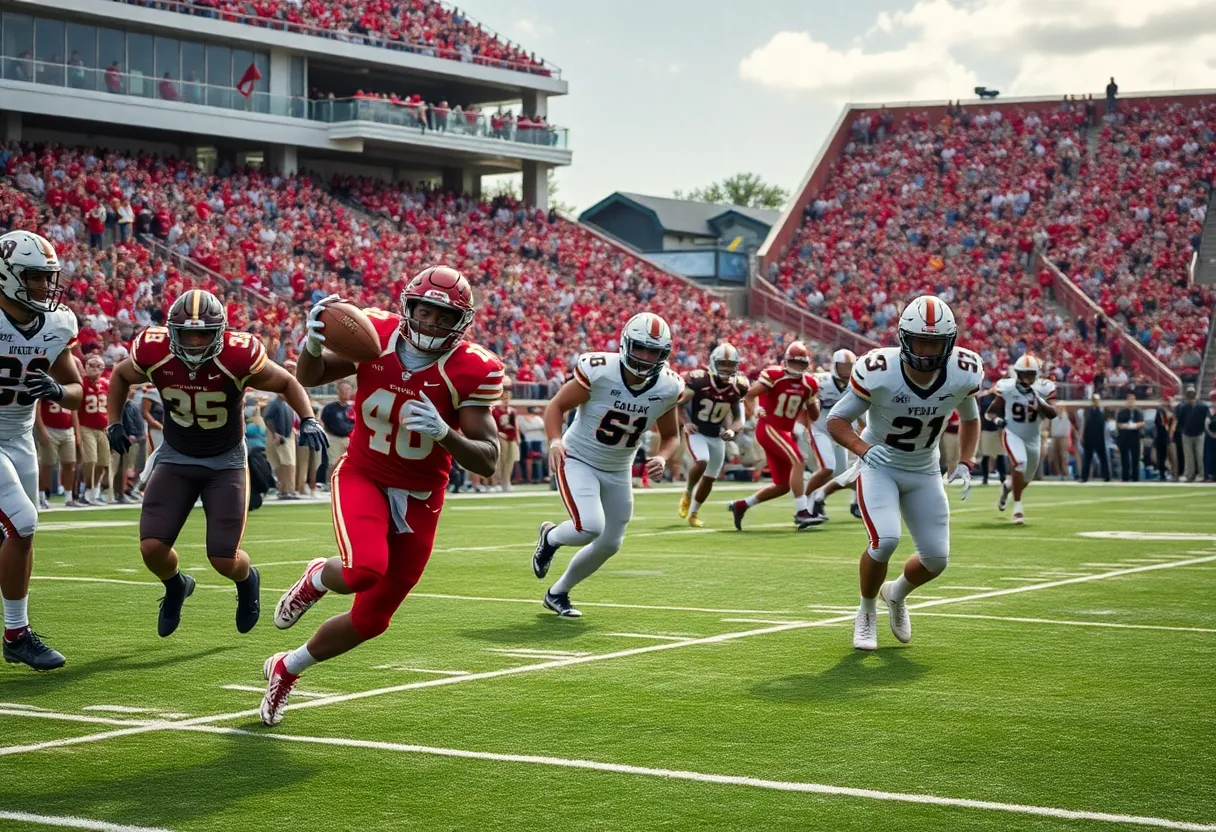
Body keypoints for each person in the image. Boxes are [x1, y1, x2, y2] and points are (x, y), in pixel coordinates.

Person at [265, 267, 502, 726]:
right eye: (424, 311)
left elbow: (488, 458)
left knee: (372, 621)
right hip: (364, 474)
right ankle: (317, 576)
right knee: (363, 570)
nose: (431, 323)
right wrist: (312, 345)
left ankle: (286, 668)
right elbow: (310, 376)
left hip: (421, 496)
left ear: (461, 321)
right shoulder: (374, 333)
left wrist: (444, 433)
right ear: (407, 306)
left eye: (443, 316)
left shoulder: (474, 368)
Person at [106, 289, 327, 639]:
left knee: (224, 558)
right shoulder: (154, 349)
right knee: (152, 548)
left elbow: (286, 381)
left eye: (203, 334)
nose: (193, 343)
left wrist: (309, 417)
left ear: (220, 332)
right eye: (186, 333)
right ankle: (177, 585)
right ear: (172, 331)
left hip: (225, 460)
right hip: (176, 454)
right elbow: (120, 375)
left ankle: (247, 579)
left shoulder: (238, 355)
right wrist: (114, 421)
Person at [826, 295, 982, 651]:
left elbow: (971, 418)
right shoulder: (879, 368)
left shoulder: (963, 370)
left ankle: (895, 594)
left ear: (950, 342)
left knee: (936, 560)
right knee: (886, 541)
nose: (927, 352)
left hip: (925, 469)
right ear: (903, 338)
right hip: (880, 465)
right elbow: (836, 419)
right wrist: (864, 450)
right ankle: (866, 611)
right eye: (920, 341)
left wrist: (966, 460)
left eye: (935, 343)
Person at [532, 313, 683, 617]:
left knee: (610, 543)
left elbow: (671, 436)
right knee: (589, 527)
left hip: (619, 467)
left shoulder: (668, 386)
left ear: (663, 354)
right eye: (640, 348)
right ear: (626, 344)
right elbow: (557, 406)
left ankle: (558, 593)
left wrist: (662, 457)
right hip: (578, 458)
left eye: (653, 352)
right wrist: (555, 441)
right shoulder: (600, 371)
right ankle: (549, 537)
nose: (645, 357)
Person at [0, 230, 83, 670]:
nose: (43, 287)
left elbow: (75, 390)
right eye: (34, 278)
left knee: (22, 533)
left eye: (47, 277)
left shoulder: (57, 323)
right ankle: (17, 634)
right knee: (23, 521)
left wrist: (56, 388)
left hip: (19, 437)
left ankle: (16, 633)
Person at [727, 341, 823, 530]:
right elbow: (748, 395)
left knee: (782, 486)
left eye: (800, 363)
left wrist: (813, 402)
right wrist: (755, 410)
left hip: (783, 431)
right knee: (798, 461)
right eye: (793, 362)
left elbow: (814, 416)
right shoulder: (774, 375)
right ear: (786, 362)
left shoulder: (809, 383)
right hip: (769, 427)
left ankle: (742, 505)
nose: (797, 367)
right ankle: (802, 512)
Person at [678, 343, 748, 528]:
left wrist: (732, 430)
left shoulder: (738, 386)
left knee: (710, 477)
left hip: (717, 435)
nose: (726, 368)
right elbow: (677, 403)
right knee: (702, 460)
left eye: (730, 364)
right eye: (722, 364)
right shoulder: (699, 380)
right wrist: (685, 422)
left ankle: (694, 513)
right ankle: (688, 491)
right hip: (697, 431)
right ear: (712, 363)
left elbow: (739, 418)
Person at [986, 355, 1057, 524]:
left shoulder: (1043, 388)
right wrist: (998, 421)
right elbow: (990, 412)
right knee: (1020, 463)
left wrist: (1039, 403)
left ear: (1037, 374)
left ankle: (1007, 487)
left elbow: (1053, 414)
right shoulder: (1008, 388)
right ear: (1017, 373)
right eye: (1024, 374)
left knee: (1025, 478)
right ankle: (1018, 509)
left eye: (1031, 374)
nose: (1027, 378)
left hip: (1033, 438)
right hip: (1013, 433)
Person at [806, 349, 862, 521]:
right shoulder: (822, 382)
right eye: (842, 366)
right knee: (827, 467)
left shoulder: (857, 385)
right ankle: (805, 506)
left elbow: (861, 412)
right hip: (820, 430)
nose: (846, 370)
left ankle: (821, 500)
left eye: (849, 366)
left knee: (844, 475)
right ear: (834, 366)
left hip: (842, 435)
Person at [78, 355, 111, 504]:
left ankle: (94, 492)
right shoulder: (81, 384)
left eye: (99, 366)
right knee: (90, 460)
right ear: (86, 367)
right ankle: (86, 491)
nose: (95, 369)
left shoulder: (106, 384)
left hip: (103, 428)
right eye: (92, 366)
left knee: (103, 463)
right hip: (86, 426)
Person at [36, 398, 76, 509]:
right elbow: (37, 406)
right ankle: (41, 497)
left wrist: (76, 431)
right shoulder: (45, 383)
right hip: (50, 428)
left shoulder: (68, 383)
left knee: (70, 463)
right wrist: (41, 430)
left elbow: (74, 408)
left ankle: (69, 497)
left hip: (68, 429)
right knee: (47, 464)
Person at [111, 386, 145, 504]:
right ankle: (116, 493)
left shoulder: (133, 405)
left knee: (125, 468)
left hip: (132, 439)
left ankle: (121, 493)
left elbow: (137, 422)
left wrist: (139, 435)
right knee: (118, 468)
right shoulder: (119, 405)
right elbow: (121, 422)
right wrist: (128, 435)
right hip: (122, 439)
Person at [264, 384, 298, 498]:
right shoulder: (275, 404)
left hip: (288, 436)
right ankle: (287, 490)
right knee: (287, 464)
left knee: (287, 464)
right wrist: (275, 433)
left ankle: (286, 489)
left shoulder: (285, 405)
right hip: (281, 437)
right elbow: (268, 419)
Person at [977, 384, 1007, 486]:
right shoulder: (986, 398)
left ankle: (1002, 477)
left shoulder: (1002, 398)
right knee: (986, 455)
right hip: (987, 429)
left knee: (999, 455)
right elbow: (986, 412)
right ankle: (985, 478)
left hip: (998, 429)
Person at [491, 382, 519, 490]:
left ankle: (506, 481)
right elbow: (493, 425)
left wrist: (517, 438)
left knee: (510, 459)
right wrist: (498, 434)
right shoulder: (495, 410)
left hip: (510, 436)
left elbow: (514, 426)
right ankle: (497, 482)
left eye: (507, 398)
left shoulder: (512, 411)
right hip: (500, 436)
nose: (506, 400)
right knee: (500, 460)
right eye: (504, 398)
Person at [319, 380, 356, 463]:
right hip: (334, 439)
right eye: (345, 389)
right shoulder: (330, 407)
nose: (347, 392)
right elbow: (322, 421)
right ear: (339, 391)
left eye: (349, 389)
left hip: (349, 440)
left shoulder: (352, 408)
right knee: (334, 464)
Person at [1176, 387, 1206, 482]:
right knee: (1188, 456)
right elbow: (1179, 419)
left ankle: (1201, 474)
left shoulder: (1202, 407)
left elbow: (1205, 419)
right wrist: (1183, 429)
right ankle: (1189, 474)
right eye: (1189, 396)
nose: (1190, 398)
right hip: (1187, 434)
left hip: (1199, 434)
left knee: (1200, 455)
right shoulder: (1183, 407)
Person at [1079, 394, 1111, 482]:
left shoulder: (1102, 411)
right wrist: (1081, 435)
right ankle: (1084, 477)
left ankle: (1106, 477)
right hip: (1089, 437)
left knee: (1103, 458)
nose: (1096, 402)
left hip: (1100, 437)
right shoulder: (1087, 411)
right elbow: (1084, 423)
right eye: (1094, 400)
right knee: (1087, 458)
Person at [1115, 393, 1144, 482]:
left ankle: (1135, 477)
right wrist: (1127, 426)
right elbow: (1119, 424)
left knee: (1135, 458)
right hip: (1124, 437)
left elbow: (1141, 423)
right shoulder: (1122, 412)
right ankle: (1125, 477)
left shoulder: (1138, 412)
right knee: (1124, 458)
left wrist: (1133, 426)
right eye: (1129, 399)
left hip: (1135, 437)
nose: (1131, 401)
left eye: (1132, 399)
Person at [517, 405, 546, 483]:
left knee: (538, 458)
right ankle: (529, 478)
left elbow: (542, 426)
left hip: (538, 440)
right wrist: (535, 428)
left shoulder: (538, 419)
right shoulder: (522, 419)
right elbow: (524, 428)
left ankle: (539, 478)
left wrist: (533, 428)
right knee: (529, 459)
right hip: (528, 440)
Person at [1048, 405, 1073, 480]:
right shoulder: (1053, 416)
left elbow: (1068, 428)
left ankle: (1066, 473)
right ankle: (1059, 473)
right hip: (1055, 437)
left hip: (1063, 437)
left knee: (1064, 456)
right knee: (1056, 456)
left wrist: (1068, 439)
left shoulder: (1066, 416)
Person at [1153, 395, 1175, 480]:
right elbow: (1159, 424)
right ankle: (1162, 473)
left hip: (1171, 437)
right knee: (1161, 456)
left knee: (1171, 456)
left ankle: (1173, 473)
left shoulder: (1173, 410)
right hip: (1161, 437)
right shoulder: (1160, 412)